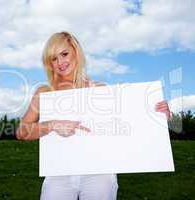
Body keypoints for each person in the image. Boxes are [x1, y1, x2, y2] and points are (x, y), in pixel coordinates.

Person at [16, 31, 171, 200]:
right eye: (54, 58)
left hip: (99, 173)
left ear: (76, 52)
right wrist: (52, 125)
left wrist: (159, 115)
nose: (60, 62)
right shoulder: (44, 93)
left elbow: (130, 123)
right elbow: (21, 132)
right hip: (58, 173)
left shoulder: (100, 90)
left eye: (64, 54)